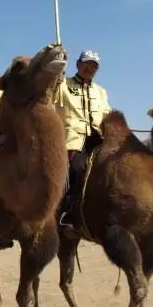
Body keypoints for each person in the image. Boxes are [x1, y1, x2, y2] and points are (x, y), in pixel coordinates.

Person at [56, 50, 111, 229]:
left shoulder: (100, 91)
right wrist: (54, 80)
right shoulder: (63, 84)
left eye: (94, 65)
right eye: (87, 63)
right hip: (74, 138)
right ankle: (69, 212)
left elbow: (107, 114)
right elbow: (50, 96)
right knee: (77, 168)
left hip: (98, 138)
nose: (90, 68)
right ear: (78, 64)